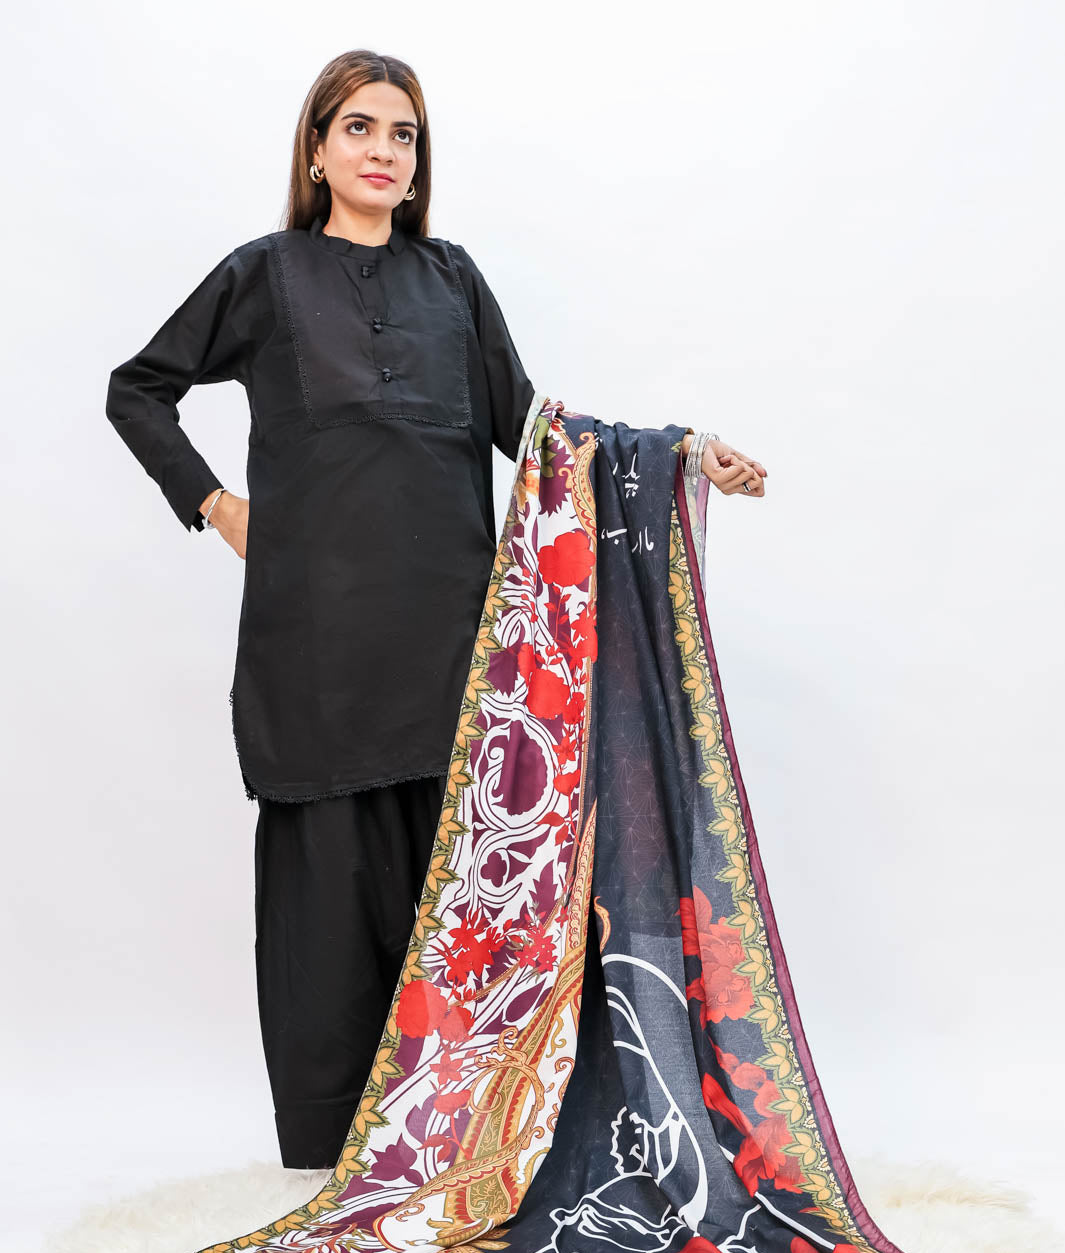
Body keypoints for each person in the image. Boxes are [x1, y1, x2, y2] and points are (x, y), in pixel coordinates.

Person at [105, 48, 767, 1171]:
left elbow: (539, 432)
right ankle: (335, 1157)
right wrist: (216, 505)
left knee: (460, 889)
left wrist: (678, 452)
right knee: (325, 890)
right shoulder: (264, 275)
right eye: (358, 128)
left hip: (452, 642)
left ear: (420, 162)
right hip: (315, 643)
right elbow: (138, 388)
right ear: (317, 150)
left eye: (402, 134)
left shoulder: (451, 282)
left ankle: (466, 1141)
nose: (382, 151)